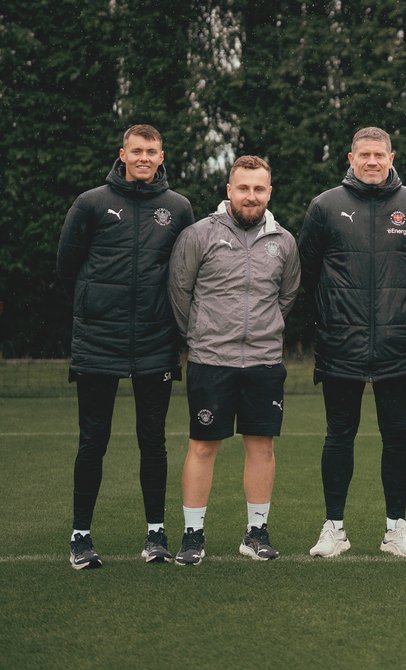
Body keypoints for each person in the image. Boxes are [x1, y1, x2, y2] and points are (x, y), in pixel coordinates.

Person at [56, 124, 194, 570]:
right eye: (136, 150)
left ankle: (156, 534)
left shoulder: (178, 208)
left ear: (161, 155)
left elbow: (188, 272)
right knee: (93, 439)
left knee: (152, 440)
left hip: (156, 342)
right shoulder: (92, 203)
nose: (143, 158)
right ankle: (81, 536)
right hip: (99, 340)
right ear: (122, 153)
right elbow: (66, 266)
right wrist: (91, 312)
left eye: (151, 151)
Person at [299, 127, 406, 559]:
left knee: (397, 436)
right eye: (365, 155)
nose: (373, 161)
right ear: (351, 157)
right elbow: (307, 272)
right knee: (339, 435)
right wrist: (330, 320)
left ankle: (396, 529)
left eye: (380, 154)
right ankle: (334, 528)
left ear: (392, 156)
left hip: (399, 345)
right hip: (342, 343)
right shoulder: (325, 206)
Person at [168, 155, 300, 565]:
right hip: (211, 359)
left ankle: (256, 532)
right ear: (229, 190)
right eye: (243, 188)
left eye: (259, 189)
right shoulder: (198, 235)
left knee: (261, 447)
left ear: (269, 193)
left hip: (263, 360)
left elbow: (287, 296)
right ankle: (193, 535)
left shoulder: (284, 241)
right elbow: (180, 294)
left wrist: (263, 329)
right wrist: (204, 334)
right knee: (203, 446)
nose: (251, 196)